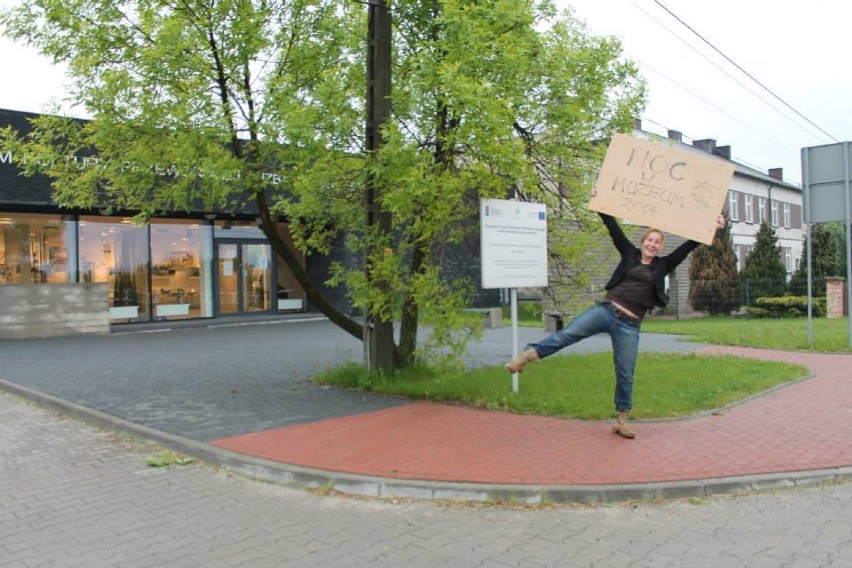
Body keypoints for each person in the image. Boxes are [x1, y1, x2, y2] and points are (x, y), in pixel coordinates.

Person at [504, 191, 725, 439]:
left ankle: (621, 419)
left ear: (660, 247)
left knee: (625, 371)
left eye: (657, 242)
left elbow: (689, 246)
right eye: (649, 240)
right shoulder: (629, 254)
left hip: (629, 325)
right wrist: (599, 201)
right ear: (643, 242)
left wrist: (712, 227)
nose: (652, 244)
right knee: (568, 334)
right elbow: (612, 227)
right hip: (606, 311)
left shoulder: (663, 265)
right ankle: (525, 357)